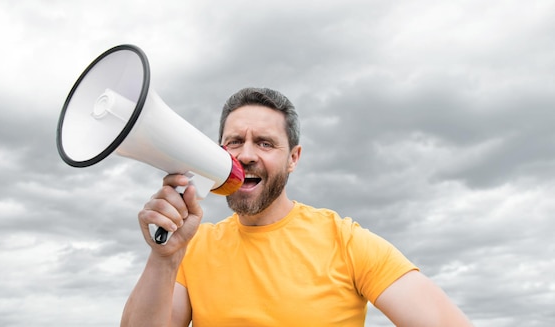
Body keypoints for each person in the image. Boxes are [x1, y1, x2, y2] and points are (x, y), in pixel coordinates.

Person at [120, 87, 473, 326]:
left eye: (265, 143)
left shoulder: (345, 241)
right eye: (234, 142)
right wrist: (163, 258)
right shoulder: (193, 248)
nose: (245, 154)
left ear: (293, 158)